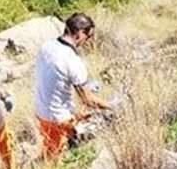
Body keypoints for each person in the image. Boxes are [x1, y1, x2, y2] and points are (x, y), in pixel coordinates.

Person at [34, 13, 117, 160]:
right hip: (58, 118)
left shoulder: (47, 46)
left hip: (41, 110)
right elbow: (89, 101)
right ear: (79, 33)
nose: (88, 41)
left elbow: (54, 77)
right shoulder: (72, 60)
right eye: (88, 36)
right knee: (54, 158)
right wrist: (112, 106)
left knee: (50, 146)